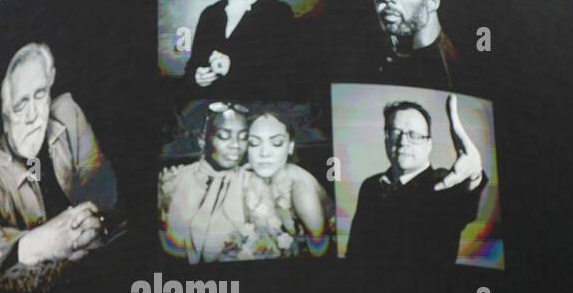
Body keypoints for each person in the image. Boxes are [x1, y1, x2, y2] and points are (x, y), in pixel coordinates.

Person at [0, 42, 118, 276]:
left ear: (51, 83)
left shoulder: (69, 113)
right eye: (20, 105)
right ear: (6, 114)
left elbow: (101, 182)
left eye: (39, 95)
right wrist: (39, 244)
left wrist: (93, 218)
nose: (32, 116)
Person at [348, 95, 492, 274]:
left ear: (429, 144)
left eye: (414, 135)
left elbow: (464, 201)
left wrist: (474, 174)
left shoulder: (444, 185)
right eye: (395, 132)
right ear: (386, 138)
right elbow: (354, 252)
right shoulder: (370, 186)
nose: (403, 142)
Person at [158, 103, 251, 263]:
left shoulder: (252, 184)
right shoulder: (172, 181)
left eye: (243, 137)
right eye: (224, 136)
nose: (236, 145)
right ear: (203, 140)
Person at [234, 107, 331, 258]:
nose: (264, 153)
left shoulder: (302, 191)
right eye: (254, 143)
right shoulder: (246, 175)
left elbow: (320, 252)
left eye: (277, 143)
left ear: (290, 147)